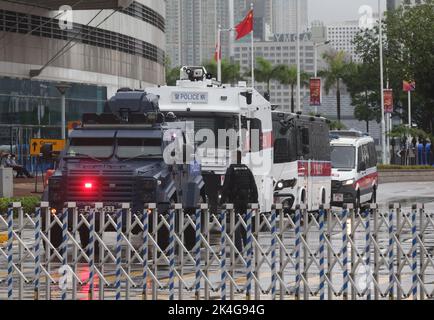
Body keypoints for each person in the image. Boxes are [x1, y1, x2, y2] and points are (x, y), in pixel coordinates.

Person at [220, 150, 258, 254]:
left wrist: (222, 201)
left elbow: (226, 187)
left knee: (236, 225)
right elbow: (253, 186)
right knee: (246, 225)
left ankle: (238, 250)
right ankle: (248, 248)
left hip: (235, 202)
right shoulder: (247, 169)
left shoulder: (231, 170)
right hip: (246, 202)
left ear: (233, 158)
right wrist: (255, 201)